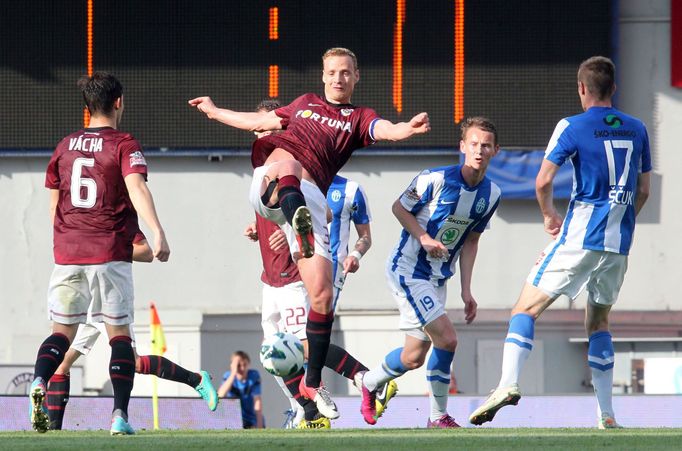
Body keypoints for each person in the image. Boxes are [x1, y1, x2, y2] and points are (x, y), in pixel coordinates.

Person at [189, 47, 429, 420]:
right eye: (332, 72)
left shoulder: (357, 118)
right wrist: (215, 110)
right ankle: (292, 208)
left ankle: (313, 383)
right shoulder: (303, 105)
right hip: (274, 178)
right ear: (322, 75)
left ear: (356, 76)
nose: (338, 78)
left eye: (346, 72)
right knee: (287, 164)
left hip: (312, 195)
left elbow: (383, 128)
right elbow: (258, 120)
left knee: (321, 296)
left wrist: (404, 130)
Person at [468, 56, 651, 429]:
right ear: (614, 88)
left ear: (582, 88)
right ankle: (607, 414)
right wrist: (621, 219)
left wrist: (550, 216)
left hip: (580, 235)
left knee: (524, 309)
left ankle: (507, 384)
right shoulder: (638, 128)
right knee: (598, 322)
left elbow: (542, 181)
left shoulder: (571, 125)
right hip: (619, 244)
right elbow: (644, 188)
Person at [30, 72, 170, 435]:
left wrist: (66, 239)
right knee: (118, 334)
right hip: (109, 250)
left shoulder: (64, 145)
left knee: (61, 332)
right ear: (119, 102)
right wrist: (157, 232)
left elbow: (53, 204)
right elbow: (136, 187)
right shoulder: (124, 143)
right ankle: (120, 416)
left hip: (67, 251)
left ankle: (38, 381)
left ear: (86, 106)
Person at [244, 100, 396, 429]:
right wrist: (258, 229)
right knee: (274, 354)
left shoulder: (292, 162)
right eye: (255, 128)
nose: (257, 132)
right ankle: (310, 414)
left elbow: (322, 212)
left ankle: (364, 379)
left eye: (263, 126)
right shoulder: (266, 167)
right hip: (270, 279)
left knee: (303, 347)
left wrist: (290, 235)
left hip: (293, 273)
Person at [358, 117, 502, 428]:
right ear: (462, 147)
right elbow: (399, 207)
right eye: (474, 144)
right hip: (408, 270)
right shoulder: (434, 178)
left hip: (438, 278)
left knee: (413, 357)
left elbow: (471, 240)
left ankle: (368, 383)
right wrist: (423, 237)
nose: (479, 150)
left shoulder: (491, 194)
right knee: (447, 340)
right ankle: (438, 417)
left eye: (486, 145)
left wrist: (466, 290)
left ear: (495, 150)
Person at [46, 233, 218, 431]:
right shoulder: (78, 216)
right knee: (61, 365)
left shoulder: (118, 215)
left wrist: (107, 248)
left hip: (109, 299)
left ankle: (196, 379)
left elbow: (146, 252)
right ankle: (53, 432)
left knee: (134, 362)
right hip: (85, 300)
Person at [326, 174, 372, 310]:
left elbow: (365, 236)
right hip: (297, 268)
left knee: (318, 327)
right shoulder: (297, 183)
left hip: (332, 270)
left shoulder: (351, 189)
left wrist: (355, 255)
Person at [218, 351, 264, 429]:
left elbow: (257, 401)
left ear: (248, 364)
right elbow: (220, 395)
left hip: (251, 419)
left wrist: (259, 424)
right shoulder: (228, 376)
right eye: (238, 365)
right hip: (233, 419)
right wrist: (233, 373)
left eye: (244, 365)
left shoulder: (253, 376)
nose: (242, 368)